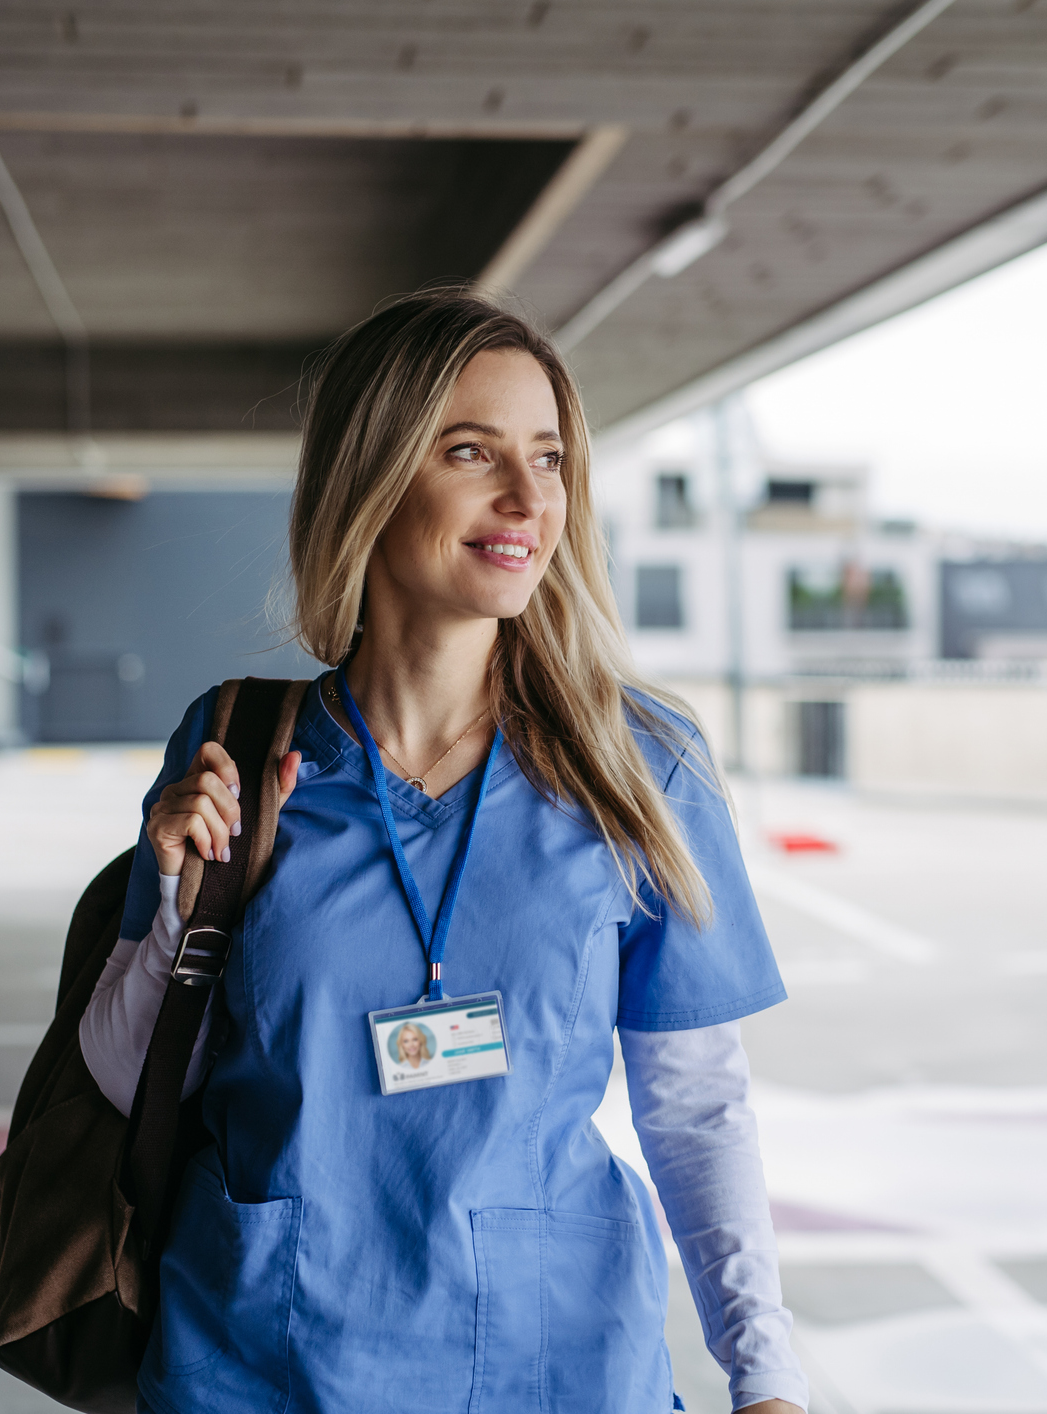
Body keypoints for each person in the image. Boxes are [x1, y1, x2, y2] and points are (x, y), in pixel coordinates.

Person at [79, 290, 806, 1414]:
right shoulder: (239, 743)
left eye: (550, 458)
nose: (529, 499)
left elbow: (695, 1105)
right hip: (268, 1363)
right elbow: (131, 1079)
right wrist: (178, 911)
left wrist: (766, 1377)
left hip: (559, 1367)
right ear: (371, 475)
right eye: (473, 452)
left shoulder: (641, 766)